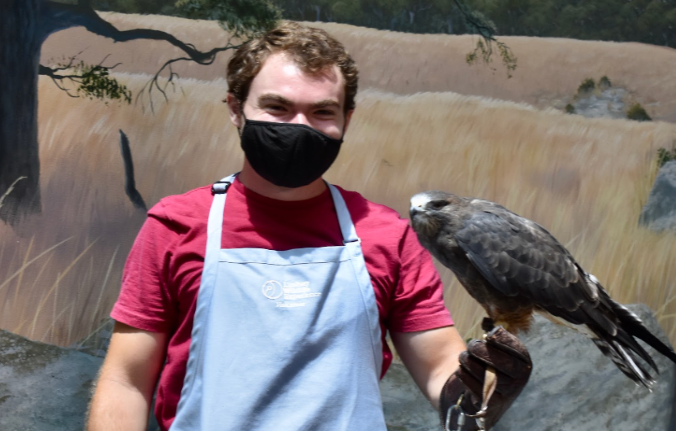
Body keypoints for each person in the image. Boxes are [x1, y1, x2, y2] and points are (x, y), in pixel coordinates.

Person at [86, 21, 531, 431]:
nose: (300, 126)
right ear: (236, 109)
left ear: (346, 121)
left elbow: (439, 369)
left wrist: (486, 388)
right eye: (277, 107)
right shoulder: (175, 225)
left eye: (322, 112)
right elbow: (127, 381)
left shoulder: (387, 235)